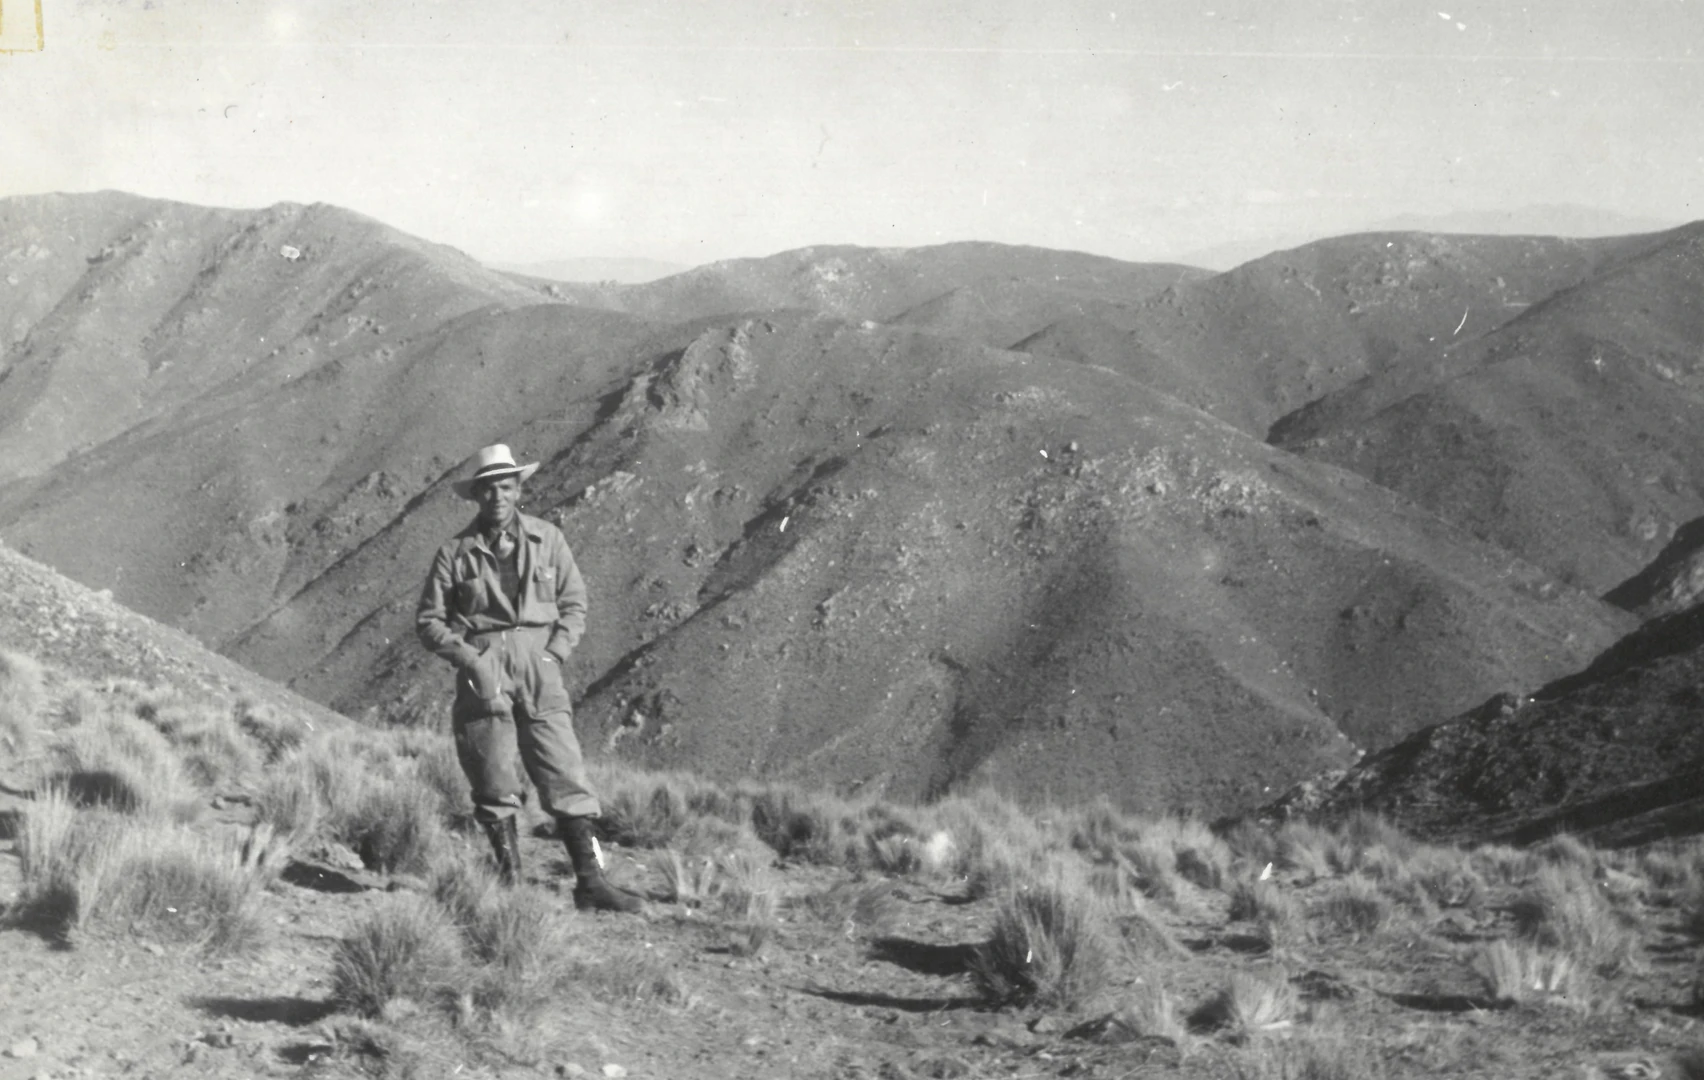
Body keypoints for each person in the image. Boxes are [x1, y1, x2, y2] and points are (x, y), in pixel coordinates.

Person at [416, 443, 642, 913]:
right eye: (488, 489)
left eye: (506, 487)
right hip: (485, 670)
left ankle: (590, 883)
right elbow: (429, 621)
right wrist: (471, 659)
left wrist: (554, 653)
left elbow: (574, 604)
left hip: (540, 668)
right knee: (493, 775)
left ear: (519, 490)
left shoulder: (548, 539)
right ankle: (510, 887)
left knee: (563, 769)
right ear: (476, 496)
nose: (497, 497)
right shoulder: (454, 553)